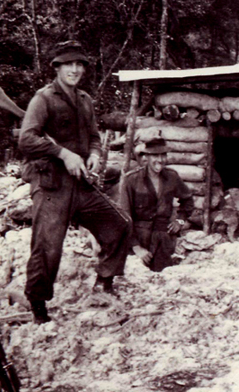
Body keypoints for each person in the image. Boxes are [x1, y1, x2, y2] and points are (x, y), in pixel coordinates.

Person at [19, 40, 131, 323]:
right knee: (47, 247)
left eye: (79, 64)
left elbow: (94, 136)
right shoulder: (42, 99)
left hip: (81, 183)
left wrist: (94, 153)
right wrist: (63, 153)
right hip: (51, 185)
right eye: (68, 64)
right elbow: (27, 139)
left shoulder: (85, 100)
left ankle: (103, 284)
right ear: (57, 67)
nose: (75, 69)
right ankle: (39, 307)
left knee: (119, 225)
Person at [121, 136, 196, 272]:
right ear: (147, 157)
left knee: (162, 281)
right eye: (155, 155)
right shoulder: (131, 180)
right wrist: (136, 247)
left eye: (163, 155)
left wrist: (179, 221)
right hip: (139, 241)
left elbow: (188, 200)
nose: (160, 160)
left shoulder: (172, 177)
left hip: (164, 240)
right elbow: (124, 217)